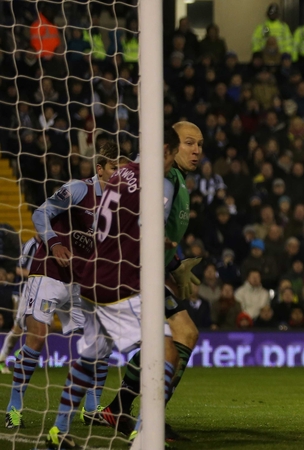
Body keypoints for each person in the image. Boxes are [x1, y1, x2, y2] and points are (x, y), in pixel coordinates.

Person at [44, 134, 182, 447]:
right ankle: (147, 435)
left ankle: (59, 430)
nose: (171, 165)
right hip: (119, 282)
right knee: (164, 351)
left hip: (91, 276)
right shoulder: (161, 185)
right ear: (164, 150)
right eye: (172, 156)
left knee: (91, 355)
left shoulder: (120, 173)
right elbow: (149, 232)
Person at [95, 122, 204, 442]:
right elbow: (146, 228)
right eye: (188, 143)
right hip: (135, 273)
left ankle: (121, 408)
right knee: (180, 337)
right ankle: (146, 419)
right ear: (169, 147)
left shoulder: (173, 178)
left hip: (143, 269)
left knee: (182, 335)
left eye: (200, 144)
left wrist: (174, 266)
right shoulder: (165, 177)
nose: (196, 150)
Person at [4, 143, 118, 429]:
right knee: (38, 337)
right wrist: (54, 244)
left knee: (101, 341)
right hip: (49, 270)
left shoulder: (118, 204)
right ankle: (14, 406)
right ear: (101, 168)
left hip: (80, 280)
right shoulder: (79, 189)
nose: (119, 174)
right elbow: (40, 214)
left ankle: (91, 408)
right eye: (115, 168)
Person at [0, 235, 40, 375]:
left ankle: (23, 354)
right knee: (18, 328)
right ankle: (2, 358)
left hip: (40, 294)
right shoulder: (29, 246)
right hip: (23, 293)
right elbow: (16, 268)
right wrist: (36, 275)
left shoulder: (50, 246)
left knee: (46, 326)